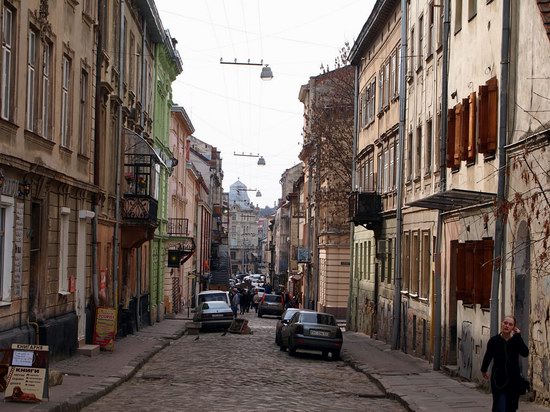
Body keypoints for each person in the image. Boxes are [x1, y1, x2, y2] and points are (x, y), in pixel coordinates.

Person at [481, 315, 529, 412]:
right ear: (502, 324)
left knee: (511, 408)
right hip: (498, 379)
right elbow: (488, 356)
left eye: (510, 324)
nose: (507, 326)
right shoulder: (494, 341)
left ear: (513, 328)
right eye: (505, 323)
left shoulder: (516, 341)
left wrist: (518, 336)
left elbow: (525, 353)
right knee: (500, 407)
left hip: (513, 379)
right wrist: (484, 369)